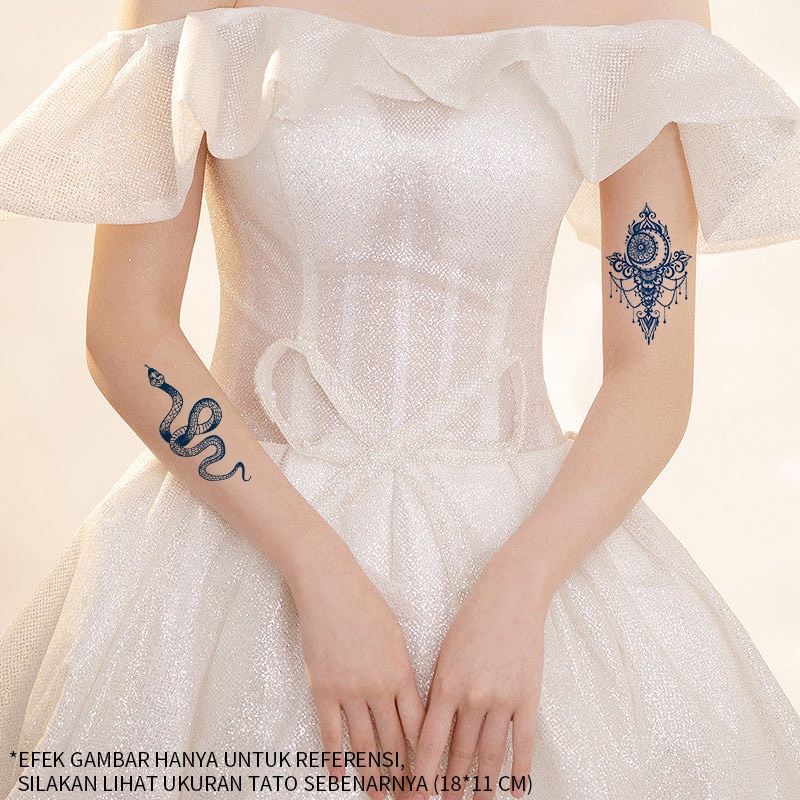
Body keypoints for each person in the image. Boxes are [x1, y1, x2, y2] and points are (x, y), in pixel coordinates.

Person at [1, 0, 799, 798]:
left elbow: (650, 377)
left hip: (536, 557)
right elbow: (127, 327)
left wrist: (522, 591)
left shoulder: (643, 13)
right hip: (240, 537)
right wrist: (316, 570)